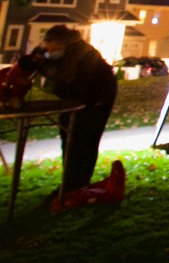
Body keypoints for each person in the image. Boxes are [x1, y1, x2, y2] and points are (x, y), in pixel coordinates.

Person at [26, 24, 120, 193]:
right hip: (80, 100)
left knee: (84, 141)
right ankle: (71, 182)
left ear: (60, 42)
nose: (49, 50)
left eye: (51, 46)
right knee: (70, 139)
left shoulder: (81, 55)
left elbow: (74, 82)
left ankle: (77, 183)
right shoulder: (64, 53)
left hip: (95, 102)